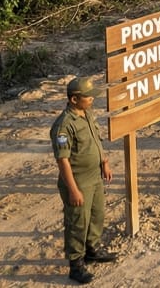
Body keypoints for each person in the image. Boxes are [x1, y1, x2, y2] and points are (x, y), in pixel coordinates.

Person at [50, 76, 116, 284]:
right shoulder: (63, 126)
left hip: (94, 177)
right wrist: (73, 189)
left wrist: (104, 161)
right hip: (78, 181)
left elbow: (96, 140)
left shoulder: (87, 114)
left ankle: (91, 250)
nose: (92, 100)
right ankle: (76, 264)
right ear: (74, 100)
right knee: (77, 222)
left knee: (97, 215)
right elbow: (63, 160)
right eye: (88, 97)